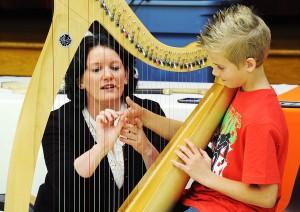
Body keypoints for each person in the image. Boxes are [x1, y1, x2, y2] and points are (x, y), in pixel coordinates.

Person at [125, 4, 288, 211]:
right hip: (206, 199)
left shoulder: (261, 119)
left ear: (248, 64)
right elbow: (195, 138)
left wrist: (205, 176)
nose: (213, 73)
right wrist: (145, 117)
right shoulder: (238, 91)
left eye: (220, 67)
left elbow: (266, 197)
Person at [34, 31, 167, 212]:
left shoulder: (149, 112)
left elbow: (166, 182)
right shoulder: (58, 121)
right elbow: (65, 184)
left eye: (115, 67)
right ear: (80, 80)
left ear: (127, 75)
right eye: (96, 69)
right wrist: (102, 147)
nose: (108, 76)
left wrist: (145, 148)